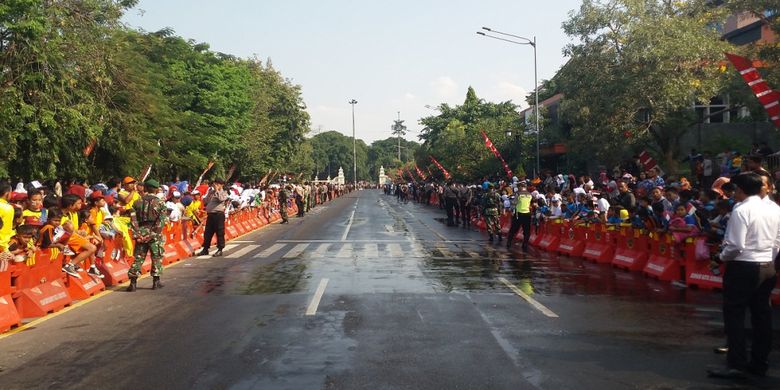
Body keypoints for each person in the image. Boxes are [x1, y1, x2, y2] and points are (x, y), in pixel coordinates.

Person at [707, 172, 780, 379]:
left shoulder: (741, 210)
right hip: (767, 266)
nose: (732, 194)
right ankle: (759, 363)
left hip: (743, 267)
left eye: (734, 190)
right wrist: (768, 258)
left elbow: (736, 245)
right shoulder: (775, 209)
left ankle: (737, 365)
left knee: (735, 316)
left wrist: (722, 257)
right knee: (762, 316)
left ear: (740, 190)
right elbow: (778, 240)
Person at [127, 179, 168, 291]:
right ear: (156, 189)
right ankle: (156, 282)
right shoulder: (160, 203)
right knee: (156, 257)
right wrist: (153, 234)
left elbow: (133, 220)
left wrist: (138, 234)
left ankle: (133, 283)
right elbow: (161, 221)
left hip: (141, 231)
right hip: (154, 233)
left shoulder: (137, 202)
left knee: (139, 258)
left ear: (145, 188)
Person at [198, 178, 228, 257]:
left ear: (221, 185)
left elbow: (221, 199)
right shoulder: (211, 192)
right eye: (215, 184)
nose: (215, 186)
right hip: (210, 215)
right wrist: (208, 194)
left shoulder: (224, 192)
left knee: (219, 232)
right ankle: (205, 248)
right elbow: (205, 201)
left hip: (218, 215)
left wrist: (217, 190)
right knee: (207, 232)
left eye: (217, 184)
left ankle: (220, 249)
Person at [507, 183, 533, 251]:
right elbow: (531, 203)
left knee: (513, 230)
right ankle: (525, 245)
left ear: (521, 187)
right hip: (527, 214)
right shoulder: (530, 194)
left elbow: (514, 203)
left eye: (518, 187)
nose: (518, 188)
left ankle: (509, 243)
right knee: (527, 231)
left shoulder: (518, 194)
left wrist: (511, 200)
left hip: (518, 214)